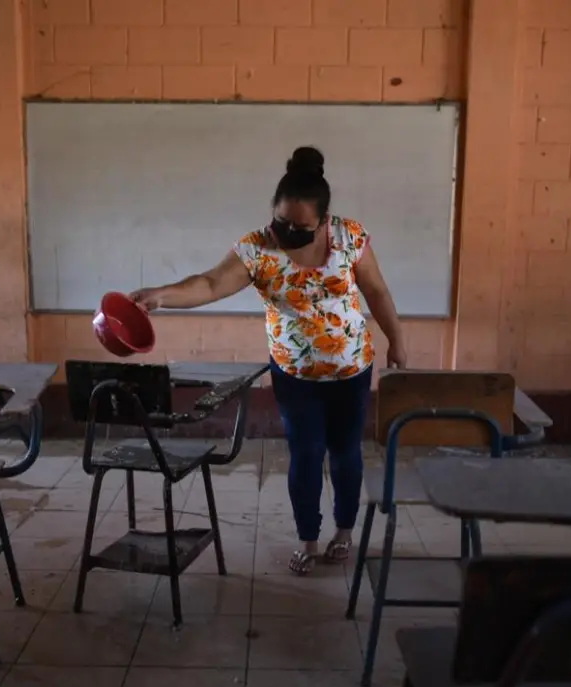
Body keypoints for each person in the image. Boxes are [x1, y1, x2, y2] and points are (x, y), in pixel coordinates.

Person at [129, 146, 406, 575]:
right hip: (294, 373)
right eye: (281, 222)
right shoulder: (258, 248)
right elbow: (209, 283)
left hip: (352, 369)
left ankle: (345, 531)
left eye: (301, 227)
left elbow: (377, 292)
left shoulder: (350, 237)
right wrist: (160, 295)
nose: (287, 232)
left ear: (323, 220)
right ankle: (308, 539)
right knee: (307, 453)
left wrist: (397, 340)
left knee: (346, 452)